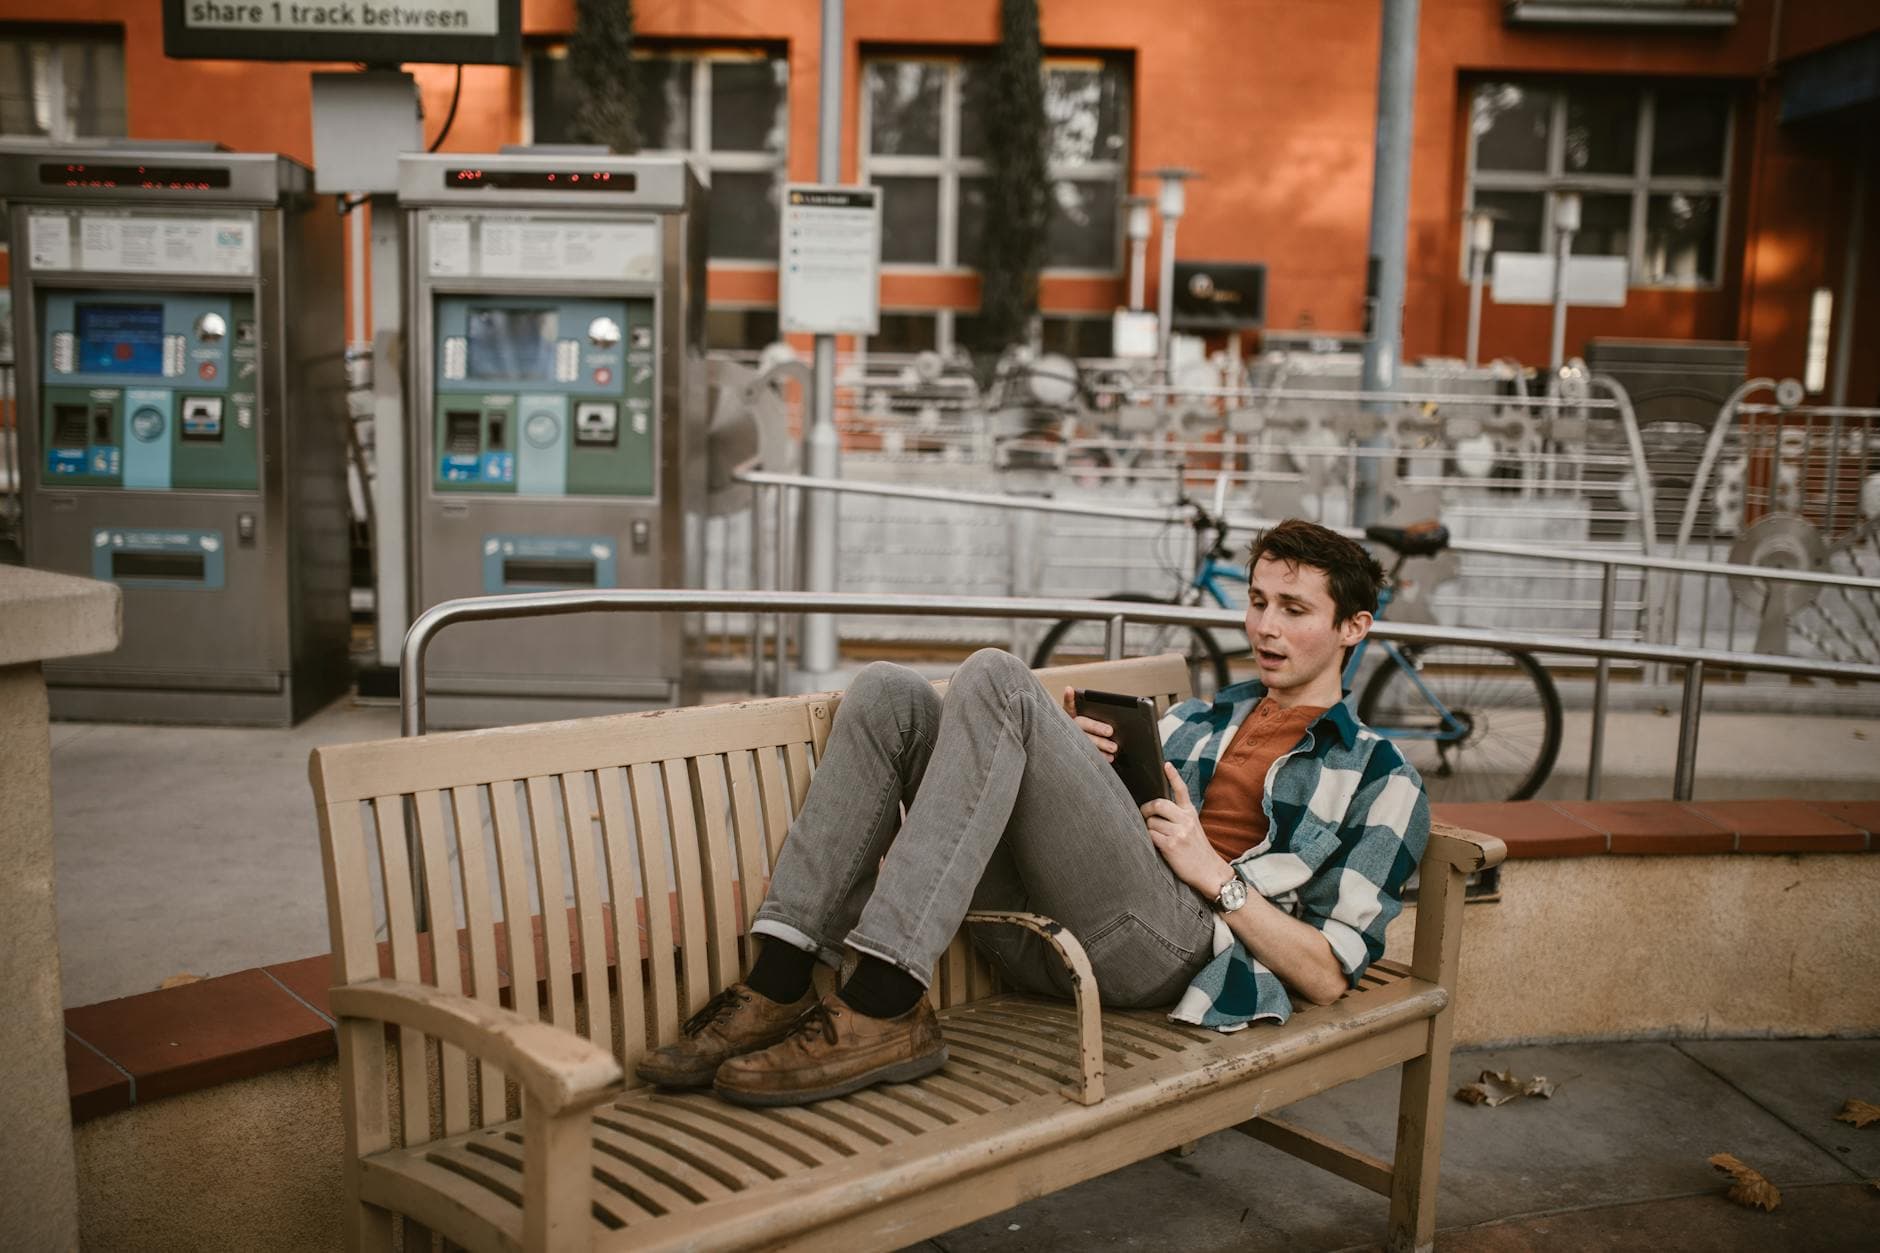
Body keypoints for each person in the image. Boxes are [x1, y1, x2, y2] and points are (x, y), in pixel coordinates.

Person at [637, 518, 1430, 1107]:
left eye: (1294, 609)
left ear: (1354, 627)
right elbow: (1108, 838)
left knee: (998, 677)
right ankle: (779, 980)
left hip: (1173, 953)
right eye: (1258, 601)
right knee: (887, 694)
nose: (1263, 626)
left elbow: (1327, 974)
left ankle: (883, 1002)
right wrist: (1082, 770)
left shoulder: (1382, 778)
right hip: (1042, 932)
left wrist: (1211, 873)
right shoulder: (1193, 720)